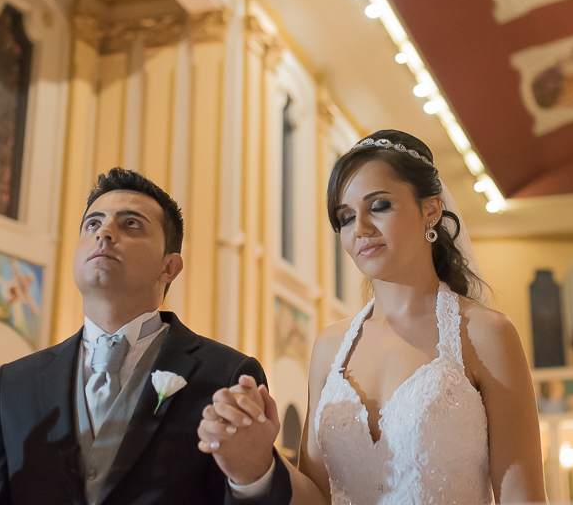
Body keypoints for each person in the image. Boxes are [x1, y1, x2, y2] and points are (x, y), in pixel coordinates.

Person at [199, 131, 547, 504]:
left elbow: (523, 499)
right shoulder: (330, 347)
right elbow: (318, 497)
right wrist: (259, 460)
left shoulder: (486, 334)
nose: (360, 229)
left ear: (431, 209)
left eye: (379, 206)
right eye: (345, 218)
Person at [0, 168, 290, 505]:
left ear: (169, 266)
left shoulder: (225, 374)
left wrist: (252, 478)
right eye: (93, 224)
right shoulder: (15, 383)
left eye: (131, 224)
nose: (105, 232)